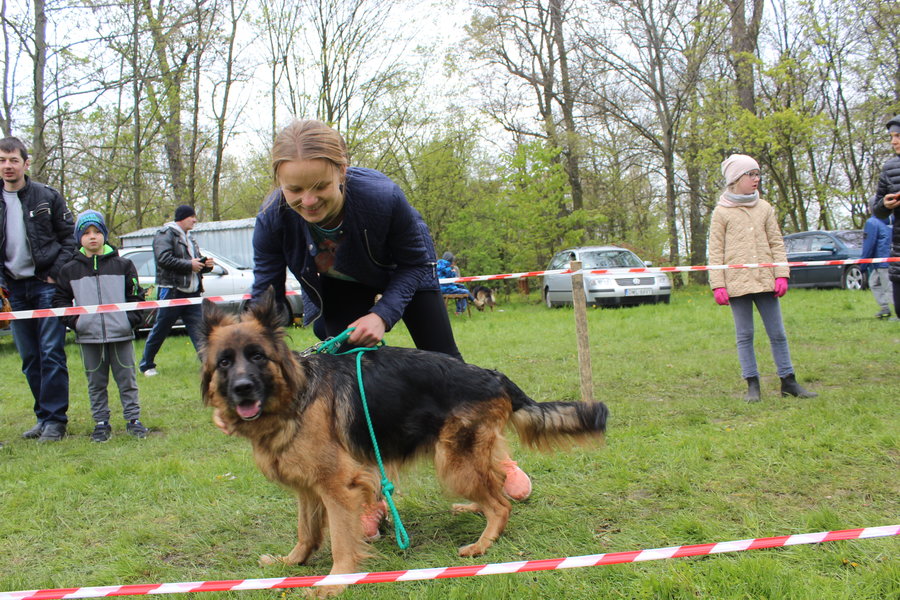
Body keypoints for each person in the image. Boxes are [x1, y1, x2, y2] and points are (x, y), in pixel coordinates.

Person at [248, 119, 531, 536]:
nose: (307, 201)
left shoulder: (382, 197)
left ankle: (491, 462)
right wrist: (248, 373)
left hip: (407, 274)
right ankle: (371, 498)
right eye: (294, 191)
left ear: (342, 171)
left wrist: (382, 315)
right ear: (279, 184)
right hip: (337, 287)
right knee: (348, 398)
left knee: (448, 369)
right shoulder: (272, 219)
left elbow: (416, 264)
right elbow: (264, 298)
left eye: (320, 187)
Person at [708, 154, 817, 402]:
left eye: (758, 174)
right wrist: (718, 284)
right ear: (736, 179)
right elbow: (715, 251)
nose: (756, 179)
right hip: (736, 285)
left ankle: (788, 381)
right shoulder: (721, 213)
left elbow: (777, 243)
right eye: (751, 174)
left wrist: (781, 274)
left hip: (766, 281)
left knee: (777, 333)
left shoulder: (765, 208)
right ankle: (752, 385)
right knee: (745, 335)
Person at [0, 136, 75, 442]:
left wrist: (55, 275)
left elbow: (70, 238)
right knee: (30, 357)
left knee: (51, 353)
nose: (7, 166)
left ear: (25, 163)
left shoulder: (47, 196)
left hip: (45, 285)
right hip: (14, 291)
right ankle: (43, 418)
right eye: (2, 160)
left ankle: (56, 421)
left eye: (13, 160)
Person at [53, 210, 149, 441]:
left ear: (104, 235)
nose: (92, 237)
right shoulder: (69, 270)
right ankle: (101, 422)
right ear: (79, 238)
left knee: (127, 380)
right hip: (89, 337)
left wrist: (129, 321)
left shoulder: (124, 265)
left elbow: (136, 297)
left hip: (121, 334)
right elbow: (59, 301)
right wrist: (77, 323)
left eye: (97, 232)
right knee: (96, 382)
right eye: (86, 233)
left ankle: (133, 420)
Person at [138, 205, 213, 376]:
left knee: (200, 330)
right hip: (172, 291)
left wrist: (205, 265)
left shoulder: (190, 238)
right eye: (191, 217)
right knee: (161, 329)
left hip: (193, 292)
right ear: (182, 217)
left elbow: (195, 264)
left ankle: (209, 365)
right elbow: (163, 259)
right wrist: (189, 265)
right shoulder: (165, 234)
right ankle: (146, 364)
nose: (195, 220)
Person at [871, 115, 900, 322]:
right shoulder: (889, 168)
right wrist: (884, 205)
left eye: (898, 136)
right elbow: (878, 210)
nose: (893, 141)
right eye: (891, 137)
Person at [860, 208, 894, 319]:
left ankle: (897, 313)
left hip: (883, 262)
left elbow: (869, 244)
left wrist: (863, 263)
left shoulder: (872, 222)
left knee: (889, 287)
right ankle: (885, 308)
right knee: (874, 282)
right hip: (886, 261)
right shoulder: (891, 221)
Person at [437, 251, 478, 315]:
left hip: (440, 286)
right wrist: (453, 272)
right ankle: (459, 311)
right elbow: (451, 277)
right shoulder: (447, 266)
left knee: (462, 286)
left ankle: (475, 301)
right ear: (450, 259)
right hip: (446, 288)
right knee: (465, 292)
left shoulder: (439, 264)